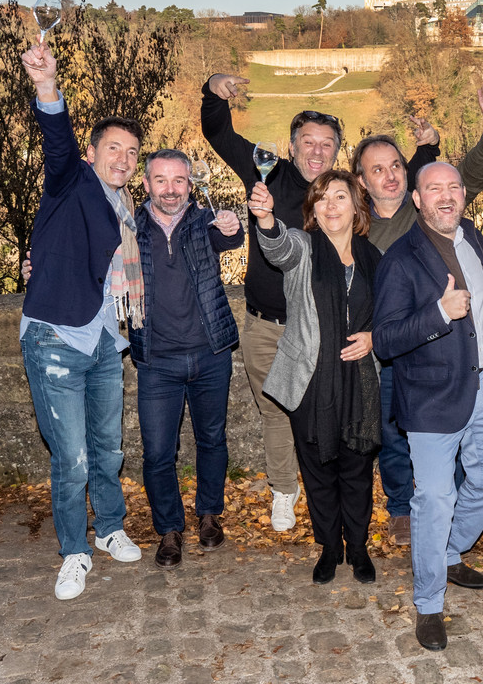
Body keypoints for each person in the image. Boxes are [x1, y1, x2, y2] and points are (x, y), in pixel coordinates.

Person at [350, 85, 483, 545]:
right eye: (378, 170)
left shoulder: (430, 213)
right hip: (386, 343)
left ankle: (444, 524)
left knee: (449, 441)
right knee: (392, 433)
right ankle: (403, 508)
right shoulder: (358, 228)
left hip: (439, 351)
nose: (391, 176)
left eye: (397, 166)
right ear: (363, 181)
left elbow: (466, 178)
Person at [18, 42, 143, 600]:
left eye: (132, 151)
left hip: (105, 341)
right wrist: (49, 88)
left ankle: (110, 527)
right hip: (57, 338)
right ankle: (74, 551)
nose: (124, 158)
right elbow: (56, 143)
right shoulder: (72, 181)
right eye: (113, 148)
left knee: (108, 448)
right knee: (71, 456)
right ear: (92, 153)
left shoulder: (126, 210)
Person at [373, 162, 483, 652]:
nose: (447, 196)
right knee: (433, 499)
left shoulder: (473, 237)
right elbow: (386, 341)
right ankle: (429, 602)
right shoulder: (400, 259)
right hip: (431, 395)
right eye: (435, 189)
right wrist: (437, 313)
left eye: (454, 187)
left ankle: (450, 551)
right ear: (417, 199)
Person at [201, 73, 342, 532]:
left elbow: (393, 201)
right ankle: (284, 489)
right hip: (263, 324)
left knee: (322, 410)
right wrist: (212, 91)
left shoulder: (341, 193)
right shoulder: (266, 172)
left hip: (319, 324)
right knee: (276, 410)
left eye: (326, 144)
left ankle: (327, 487)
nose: (316, 151)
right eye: (308, 141)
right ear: (292, 145)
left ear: (337, 151)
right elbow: (218, 133)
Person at [249, 171, 383, 585]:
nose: (331, 205)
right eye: (322, 198)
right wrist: (267, 220)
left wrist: (374, 338)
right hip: (311, 379)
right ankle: (330, 546)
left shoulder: (374, 257)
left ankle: (358, 546)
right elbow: (278, 248)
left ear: (356, 206)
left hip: (360, 380)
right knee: (319, 469)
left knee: (357, 470)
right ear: (313, 210)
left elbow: (394, 313)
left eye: (340, 196)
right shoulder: (304, 248)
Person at [129, 149, 244, 569]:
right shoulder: (130, 227)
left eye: (179, 180)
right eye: (161, 180)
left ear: (190, 184)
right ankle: (169, 529)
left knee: (212, 439)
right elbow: (90, 260)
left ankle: (209, 514)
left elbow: (230, 236)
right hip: (156, 360)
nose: (171, 189)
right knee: (159, 452)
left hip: (210, 354)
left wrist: (232, 224)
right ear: (146, 185)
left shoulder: (202, 222)